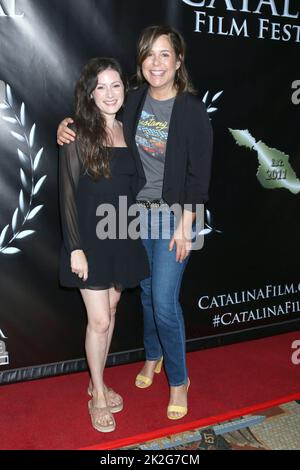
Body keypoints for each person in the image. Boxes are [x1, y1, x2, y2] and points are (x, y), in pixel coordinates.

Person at [57, 25, 213, 420]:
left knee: (162, 300)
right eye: (150, 55)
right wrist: (67, 124)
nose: (156, 63)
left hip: (174, 217)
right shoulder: (134, 100)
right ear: (140, 63)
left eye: (165, 55)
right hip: (130, 219)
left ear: (178, 61)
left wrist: (186, 222)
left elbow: (200, 175)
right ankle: (152, 358)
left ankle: (179, 381)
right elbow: (96, 117)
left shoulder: (191, 109)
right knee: (144, 297)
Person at [59, 57, 149, 432]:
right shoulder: (76, 131)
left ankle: (98, 379)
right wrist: (75, 248)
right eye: (102, 86)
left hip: (122, 235)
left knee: (109, 313)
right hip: (89, 242)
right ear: (90, 92)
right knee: (98, 320)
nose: (110, 93)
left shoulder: (129, 130)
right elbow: (67, 193)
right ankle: (97, 393)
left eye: (116, 85)